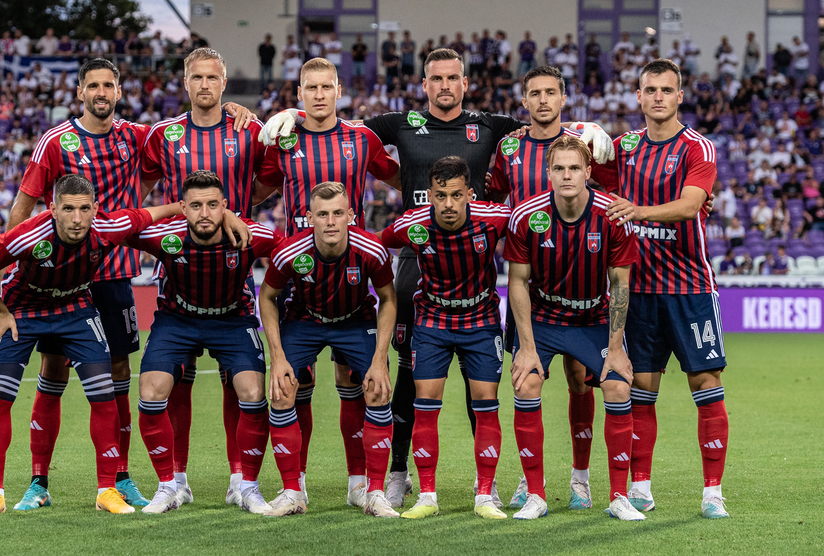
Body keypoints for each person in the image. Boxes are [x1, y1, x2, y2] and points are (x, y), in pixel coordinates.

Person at [260, 47, 613, 509]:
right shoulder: (400, 124)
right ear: (424, 84)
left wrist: (586, 128)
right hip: (416, 259)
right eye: (436, 79)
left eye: (453, 78)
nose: (445, 85)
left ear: (465, 83)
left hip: (474, 262)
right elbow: (337, 127)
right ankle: (399, 472)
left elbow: (542, 122)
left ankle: (485, 483)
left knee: (480, 379)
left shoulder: (490, 126)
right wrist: (295, 113)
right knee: (409, 372)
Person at [0, 58, 158, 510]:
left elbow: (184, 141)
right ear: (80, 92)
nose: (101, 93)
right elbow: (24, 205)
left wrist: (239, 111)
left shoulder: (136, 136)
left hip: (113, 271)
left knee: (119, 372)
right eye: (93, 86)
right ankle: (38, 482)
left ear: (119, 91)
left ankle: (119, 478)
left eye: (108, 85)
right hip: (62, 280)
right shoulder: (56, 141)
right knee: (53, 372)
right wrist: (13, 272)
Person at [0, 174, 180, 518]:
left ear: (95, 209)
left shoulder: (108, 227)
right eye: (68, 209)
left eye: (84, 209)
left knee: (104, 395)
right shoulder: (30, 234)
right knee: (1, 395)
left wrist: (184, 207)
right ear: (53, 209)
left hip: (75, 309)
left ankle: (107, 491)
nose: (77, 218)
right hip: (22, 311)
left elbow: (151, 213)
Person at [255, 56, 400, 504]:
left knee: (355, 382)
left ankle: (361, 484)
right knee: (294, 384)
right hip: (299, 275)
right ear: (300, 94)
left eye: (326, 87)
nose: (319, 95)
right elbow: (254, 189)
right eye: (310, 88)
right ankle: (294, 485)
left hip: (352, 274)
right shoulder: (284, 139)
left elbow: (401, 176)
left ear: (339, 91)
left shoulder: (362, 138)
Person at [605, 59, 730, 519]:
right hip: (638, 290)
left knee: (706, 383)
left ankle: (712, 493)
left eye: (667, 89)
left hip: (690, 287)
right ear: (638, 96)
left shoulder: (698, 147)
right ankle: (640, 488)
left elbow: (690, 205)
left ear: (680, 96)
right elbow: (575, 168)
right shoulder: (623, 147)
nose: (658, 96)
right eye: (650, 89)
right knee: (641, 388)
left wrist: (636, 211)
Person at [489, 65, 618, 510]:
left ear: (563, 99)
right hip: (532, 285)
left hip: (582, 285)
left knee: (580, 381)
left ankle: (581, 479)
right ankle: (531, 481)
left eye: (550, 93)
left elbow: (618, 193)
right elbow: (493, 198)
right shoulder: (508, 147)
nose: (543, 100)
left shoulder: (587, 141)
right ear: (524, 100)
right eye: (535, 93)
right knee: (526, 379)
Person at [142, 47, 264, 507]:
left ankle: (239, 479)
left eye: (213, 77)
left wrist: (235, 214)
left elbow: (272, 175)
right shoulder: (164, 134)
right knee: (177, 379)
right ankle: (176, 480)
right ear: (186, 83)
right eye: (197, 77)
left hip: (233, 270)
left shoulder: (248, 129)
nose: (205, 85)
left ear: (224, 82)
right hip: (180, 271)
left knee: (239, 381)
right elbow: (140, 190)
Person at [504, 135, 643, 521]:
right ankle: (535, 494)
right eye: (559, 168)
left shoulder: (610, 215)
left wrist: (617, 349)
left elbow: (620, 285)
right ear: (548, 173)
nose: (567, 175)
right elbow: (517, 282)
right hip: (544, 319)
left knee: (617, 384)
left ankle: (617, 496)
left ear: (588, 172)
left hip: (592, 319)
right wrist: (526, 347)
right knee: (526, 382)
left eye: (574, 168)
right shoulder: (526, 216)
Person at [126, 170, 277, 514]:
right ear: (183, 208)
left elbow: (293, 249)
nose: (204, 213)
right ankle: (169, 486)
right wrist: (166, 211)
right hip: (177, 320)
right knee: (151, 392)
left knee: (253, 393)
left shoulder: (250, 235)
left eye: (212, 205)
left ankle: (248, 487)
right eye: (195, 206)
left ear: (225, 206)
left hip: (232, 320)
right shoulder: (167, 236)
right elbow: (120, 226)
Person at [379, 156, 511, 520]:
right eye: (440, 195)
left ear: (470, 193)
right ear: (430, 195)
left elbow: (535, 226)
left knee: (485, 402)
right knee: (425, 404)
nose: (448, 204)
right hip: (432, 321)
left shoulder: (494, 218)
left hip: (481, 321)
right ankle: (427, 496)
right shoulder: (413, 224)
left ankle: (485, 494)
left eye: (456, 195)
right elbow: (373, 246)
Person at [258, 181, 398, 517]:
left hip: (355, 319)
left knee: (377, 389)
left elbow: (389, 299)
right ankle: (292, 491)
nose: (331, 221)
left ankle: (371, 491)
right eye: (322, 214)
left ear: (351, 215)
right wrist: (277, 358)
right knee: (282, 389)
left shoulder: (371, 249)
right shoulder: (290, 252)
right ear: (309, 218)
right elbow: (267, 297)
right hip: (304, 319)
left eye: (338, 213)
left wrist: (380, 359)